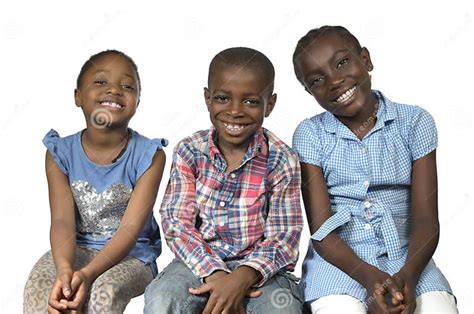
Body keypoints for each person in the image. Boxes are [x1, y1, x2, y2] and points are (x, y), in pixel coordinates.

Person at [292, 25, 458, 314]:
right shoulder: (310, 134)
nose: (335, 81)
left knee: (438, 309)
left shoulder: (415, 122)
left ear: (366, 59)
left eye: (342, 62)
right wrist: (371, 279)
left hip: (409, 256)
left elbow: (426, 220)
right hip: (340, 262)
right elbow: (321, 230)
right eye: (317, 80)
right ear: (309, 92)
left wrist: (408, 276)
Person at [144, 47, 304, 314]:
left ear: (270, 104)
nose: (235, 111)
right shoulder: (190, 150)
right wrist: (215, 274)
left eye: (251, 101)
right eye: (222, 98)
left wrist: (242, 276)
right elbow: (177, 222)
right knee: (163, 300)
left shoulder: (281, 158)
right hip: (196, 263)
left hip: (260, 270)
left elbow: (284, 235)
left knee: (282, 308)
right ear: (208, 99)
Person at [23, 50, 167, 313]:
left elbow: (129, 230)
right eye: (101, 82)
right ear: (78, 96)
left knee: (104, 291)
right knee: (41, 286)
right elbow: (62, 221)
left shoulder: (150, 156)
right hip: (75, 248)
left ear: (137, 101)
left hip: (133, 256)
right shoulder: (59, 153)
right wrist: (66, 271)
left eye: (127, 86)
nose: (114, 90)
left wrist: (87, 275)